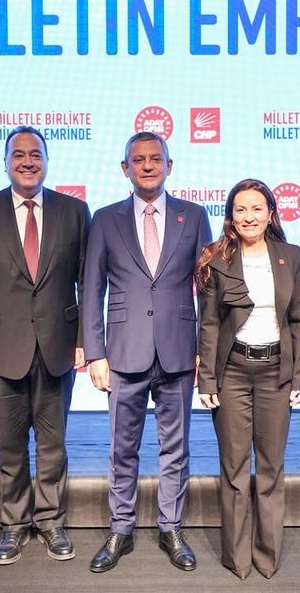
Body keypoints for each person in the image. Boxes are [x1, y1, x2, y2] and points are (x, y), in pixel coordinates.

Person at [0, 126, 90, 565]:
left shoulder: (74, 211)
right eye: (19, 154)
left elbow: (86, 283)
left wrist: (85, 341)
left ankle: (50, 521)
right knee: (9, 446)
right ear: (5, 161)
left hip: (58, 348)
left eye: (35, 154)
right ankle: (14, 524)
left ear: (46, 161)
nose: (28, 161)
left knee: (53, 445)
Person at [82, 131, 213, 573]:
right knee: (122, 448)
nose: (148, 165)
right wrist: (95, 353)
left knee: (176, 449)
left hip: (179, 351)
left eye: (156, 158)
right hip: (123, 352)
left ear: (169, 166)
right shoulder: (105, 219)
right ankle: (120, 529)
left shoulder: (194, 216)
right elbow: (92, 289)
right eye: (138, 160)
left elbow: (207, 290)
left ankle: (171, 528)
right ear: (125, 168)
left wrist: (205, 349)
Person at [195, 179, 300, 580]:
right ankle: (237, 556)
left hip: (276, 373)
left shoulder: (290, 255)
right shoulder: (217, 258)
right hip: (232, 374)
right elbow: (209, 324)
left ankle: (267, 555)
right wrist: (207, 380)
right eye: (240, 209)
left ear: (271, 214)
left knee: (272, 467)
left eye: (257, 209)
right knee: (235, 468)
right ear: (230, 216)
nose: (249, 217)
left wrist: (299, 375)